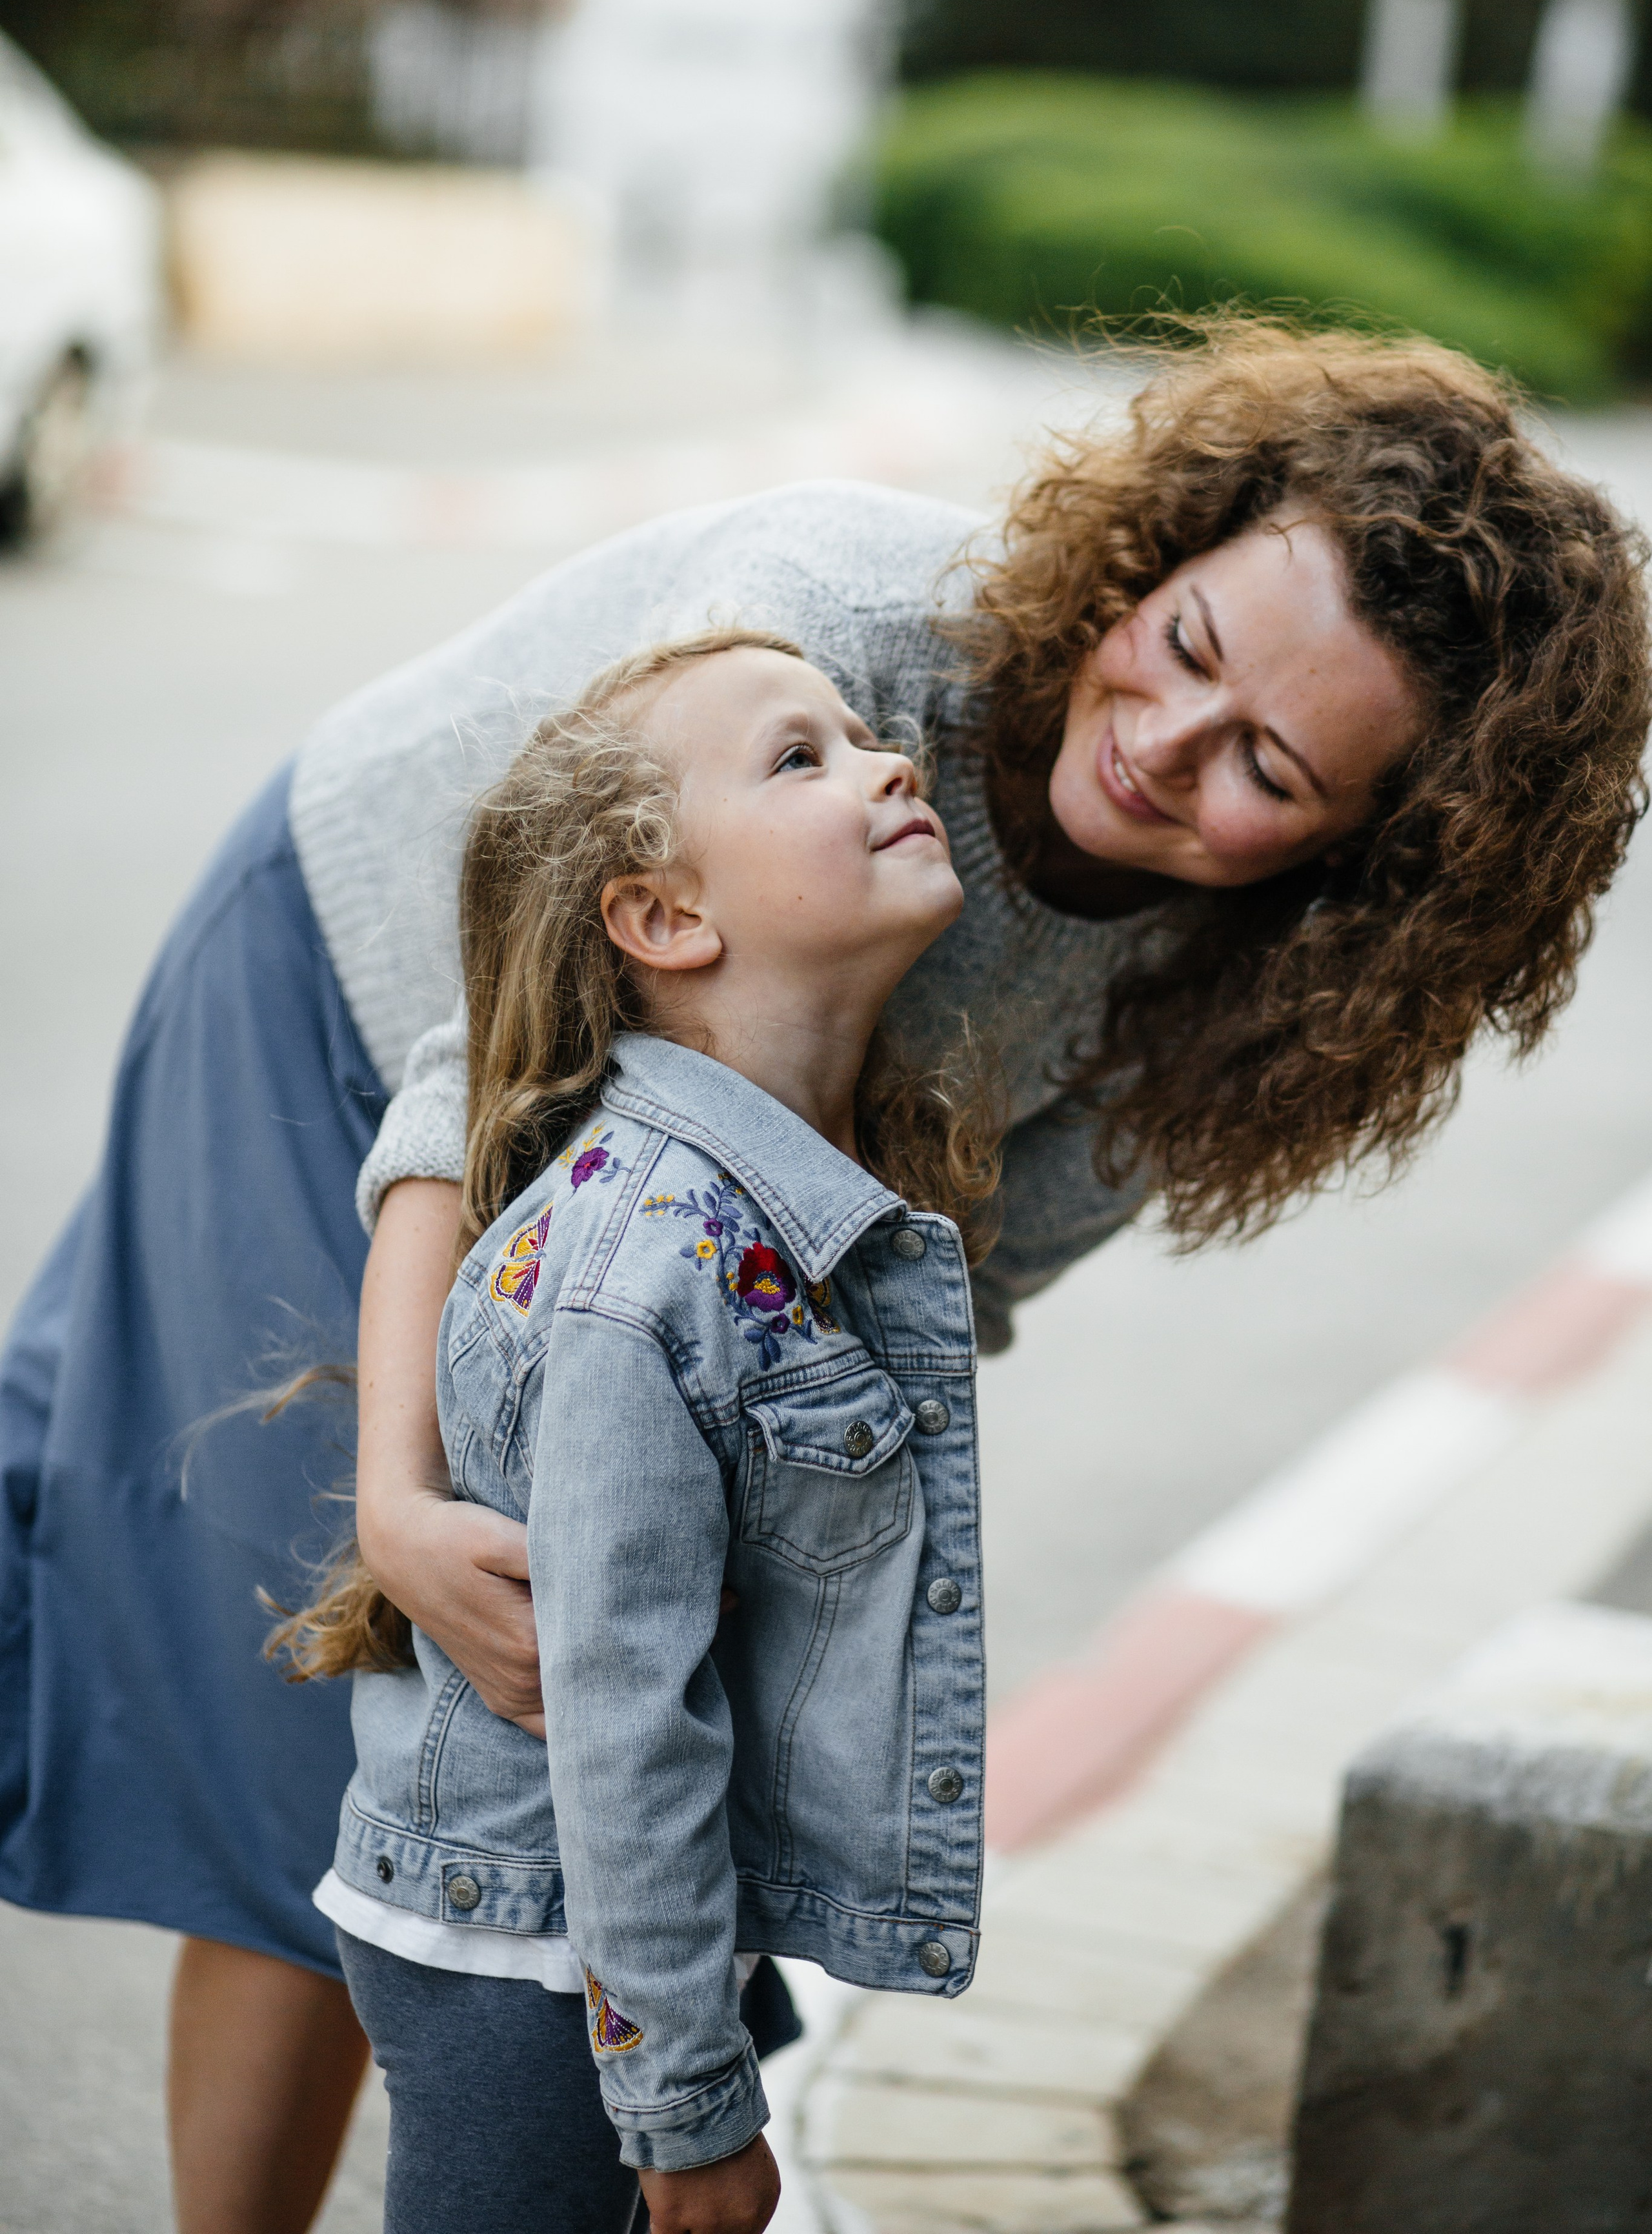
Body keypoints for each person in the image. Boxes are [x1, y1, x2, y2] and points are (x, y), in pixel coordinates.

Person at [0, 319, 1646, 2234]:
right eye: (1185, 649)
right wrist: (399, 1494)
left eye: (1268, 767)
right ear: (1167, 551)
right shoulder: (829, 646)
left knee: (607, 1763)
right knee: (348, 1765)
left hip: (657, 1232)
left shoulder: (1230, 1007)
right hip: (370, 1029)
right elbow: (492, 1069)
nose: (1164, 748)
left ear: (1378, 851)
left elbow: (914, 1306)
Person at [282, 625, 996, 2234]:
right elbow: (618, 1725)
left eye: (862, 733)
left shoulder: (764, 1209)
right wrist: (682, 2110)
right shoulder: (640, 1277)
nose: (889, 764)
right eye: (800, 757)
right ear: (663, 918)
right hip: (538, 1952)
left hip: (624, 1923)